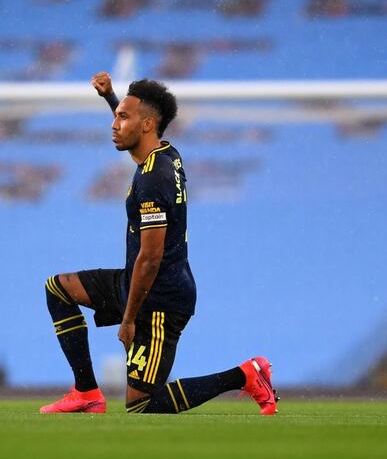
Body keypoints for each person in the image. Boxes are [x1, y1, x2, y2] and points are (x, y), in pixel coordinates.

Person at [40, 73, 278, 415]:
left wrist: (128, 319)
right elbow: (136, 133)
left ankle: (245, 375)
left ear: (147, 124)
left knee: (142, 405)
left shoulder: (154, 179)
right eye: (116, 116)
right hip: (137, 282)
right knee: (58, 289)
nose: (114, 125)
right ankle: (86, 392)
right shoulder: (164, 153)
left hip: (159, 297)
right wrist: (111, 98)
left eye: (122, 117)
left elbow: (150, 258)